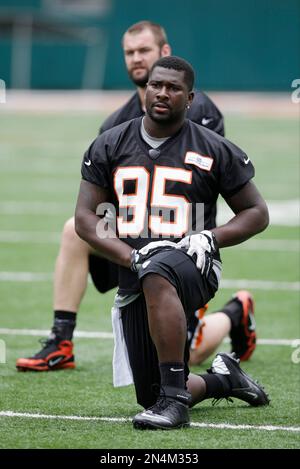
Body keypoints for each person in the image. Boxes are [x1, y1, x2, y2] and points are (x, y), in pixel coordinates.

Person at [16, 21, 255, 372]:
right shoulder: (116, 124)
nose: (136, 59)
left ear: (165, 53)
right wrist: (126, 243)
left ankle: (235, 313)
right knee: (75, 228)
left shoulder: (199, 112)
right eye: (129, 52)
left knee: (181, 355)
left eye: (144, 50)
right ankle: (61, 340)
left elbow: (205, 187)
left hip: (182, 241)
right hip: (134, 236)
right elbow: (102, 203)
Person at [74, 55, 270, 430]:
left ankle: (176, 406)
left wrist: (211, 237)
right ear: (146, 90)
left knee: (159, 264)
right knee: (153, 393)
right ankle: (224, 379)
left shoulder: (213, 147)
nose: (163, 93)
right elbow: (86, 218)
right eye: (156, 85)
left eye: (173, 88)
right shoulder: (110, 142)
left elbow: (256, 213)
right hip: (136, 269)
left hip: (193, 263)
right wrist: (128, 256)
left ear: (190, 98)